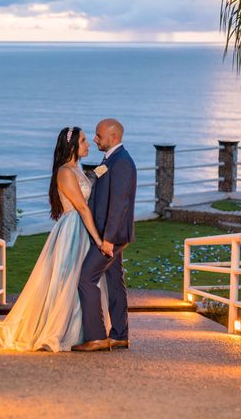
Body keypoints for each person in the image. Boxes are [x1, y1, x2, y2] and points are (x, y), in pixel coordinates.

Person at [0, 126, 109, 352]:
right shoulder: (65, 172)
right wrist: (99, 240)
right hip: (73, 229)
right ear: (72, 146)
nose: (88, 144)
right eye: (84, 140)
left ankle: (81, 329)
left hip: (82, 227)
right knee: (66, 278)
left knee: (81, 279)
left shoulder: (75, 169)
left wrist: (98, 173)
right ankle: (58, 328)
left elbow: (86, 188)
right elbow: (82, 208)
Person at [72, 118, 137, 352]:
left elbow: (119, 203)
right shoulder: (112, 159)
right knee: (113, 281)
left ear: (114, 137)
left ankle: (97, 337)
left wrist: (108, 238)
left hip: (113, 236)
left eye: (99, 136)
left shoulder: (122, 163)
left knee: (86, 279)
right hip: (112, 234)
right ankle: (120, 335)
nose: (95, 139)